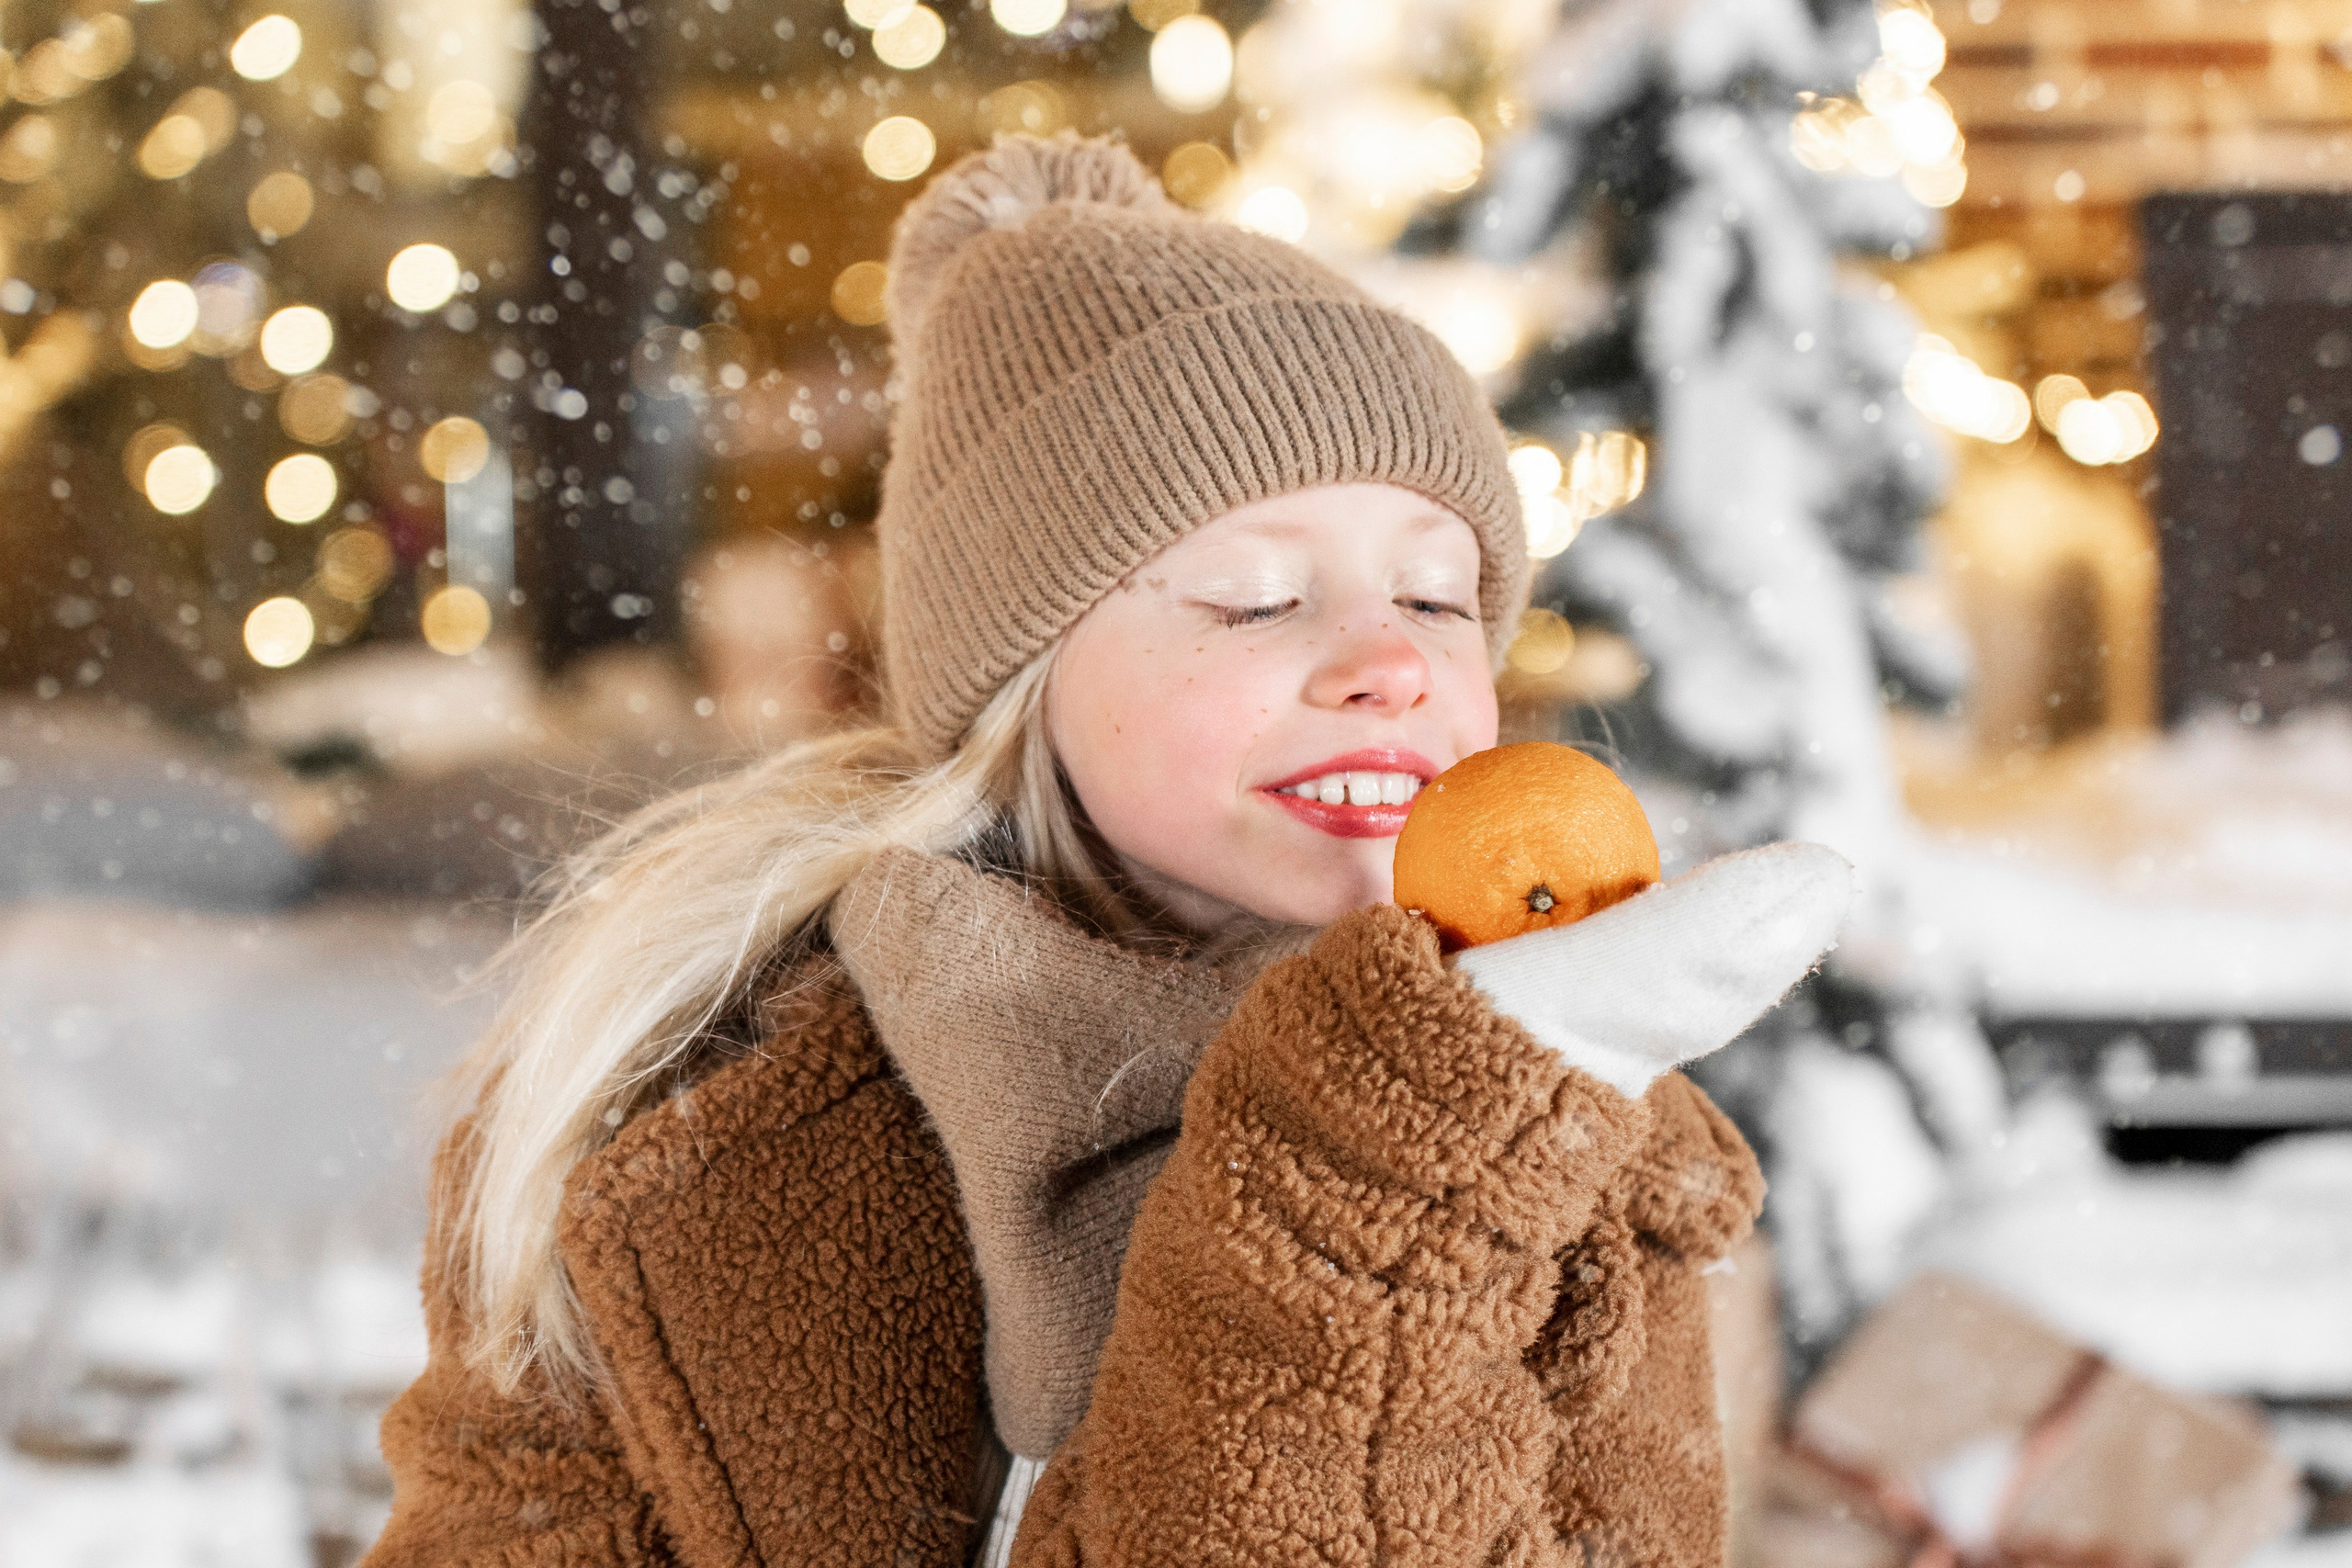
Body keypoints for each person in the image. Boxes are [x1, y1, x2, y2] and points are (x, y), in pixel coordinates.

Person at [363, 132, 1850, 1568]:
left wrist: (1393, 1164)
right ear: (1023, 676)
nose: (1389, 664)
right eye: (1256, 596)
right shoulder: (675, 1113)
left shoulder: (1578, 1139)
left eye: (1436, 599)